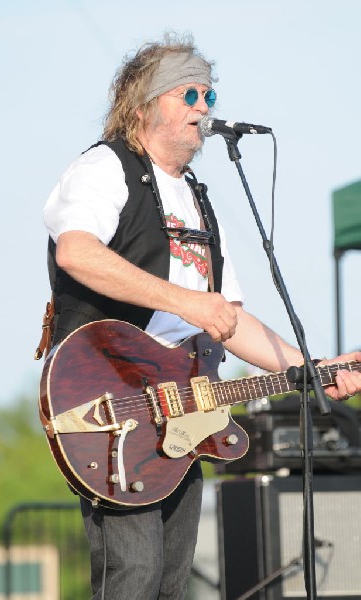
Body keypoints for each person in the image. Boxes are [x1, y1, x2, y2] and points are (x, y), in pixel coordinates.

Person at [42, 34, 361, 600]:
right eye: (188, 92)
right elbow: (76, 252)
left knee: (170, 580)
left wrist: (314, 367)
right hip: (112, 398)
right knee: (132, 574)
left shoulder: (196, 196)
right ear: (143, 104)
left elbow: (228, 320)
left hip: (185, 407)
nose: (204, 107)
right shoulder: (104, 168)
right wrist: (184, 301)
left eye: (210, 95)